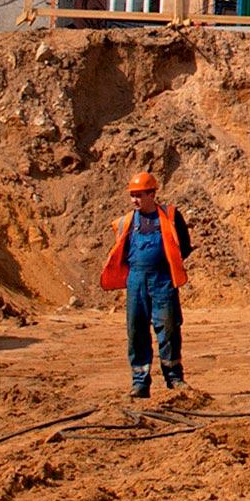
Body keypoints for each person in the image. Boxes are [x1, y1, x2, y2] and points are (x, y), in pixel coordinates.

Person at [102, 169, 193, 398]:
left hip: (162, 280)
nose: (135, 199)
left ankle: (174, 378)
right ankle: (140, 382)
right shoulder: (125, 222)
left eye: (140, 195)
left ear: (153, 194)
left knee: (169, 329)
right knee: (137, 330)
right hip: (136, 281)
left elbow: (184, 246)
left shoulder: (171, 216)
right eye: (132, 195)